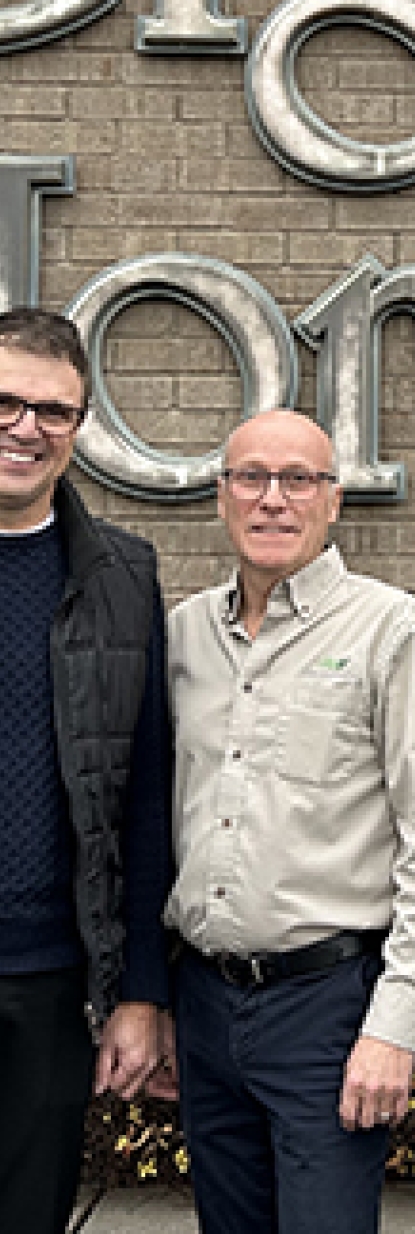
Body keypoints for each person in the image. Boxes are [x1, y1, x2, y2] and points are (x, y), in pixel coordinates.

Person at [163, 408, 415, 1234]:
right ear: (222, 496)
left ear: (334, 500)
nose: (273, 499)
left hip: (327, 1010)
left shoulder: (390, 630)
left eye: (298, 479)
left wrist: (394, 1029)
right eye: (251, 477)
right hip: (203, 1002)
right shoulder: (183, 634)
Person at [0, 307, 173, 1234]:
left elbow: (144, 800)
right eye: (6, 402)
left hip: (51, 978)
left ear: (80, 425)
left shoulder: (121, 576)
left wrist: (140, 993)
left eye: (53, 410)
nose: (27, 427)